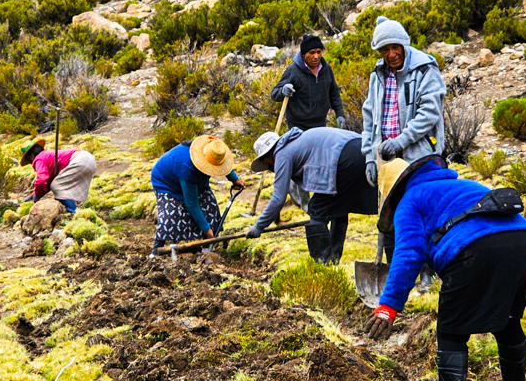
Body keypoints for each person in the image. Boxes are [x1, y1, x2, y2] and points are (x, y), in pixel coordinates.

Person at [362, 156, 526, 381]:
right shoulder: (466, 185)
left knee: (451, 331)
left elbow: (409, 254)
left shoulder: (410, 200)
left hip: (473, 250)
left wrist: (388, 306)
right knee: (509, 321)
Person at [245, 126, 377, 263]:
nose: (269, 166)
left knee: (317, 209)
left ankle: (321, 261)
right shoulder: (296, 143)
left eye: (266, 163)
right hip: (362, 149)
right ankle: (334, 257)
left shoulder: (282, 154)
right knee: (338, 205)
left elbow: (278, 198)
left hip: (343, 158)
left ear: (267, 158)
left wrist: (258, 226)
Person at [361, 16, 446, 189]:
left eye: (395, 47)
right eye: (385, 49)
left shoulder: (424, 69)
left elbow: (430, 113)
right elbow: (369, 117)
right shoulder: (377, 75)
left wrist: (400, 141)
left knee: (420, 206)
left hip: (420, 156)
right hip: (386, 157)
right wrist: (370, 157)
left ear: (403, 45)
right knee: (390, 210)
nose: (391, 54)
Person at [150, 135, 245, 255]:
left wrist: (234, 179)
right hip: (167, 183)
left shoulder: (213, 148)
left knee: (210, 206)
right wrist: (206, 229)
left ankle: (205, 248)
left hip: (193, 179)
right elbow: (191, 203)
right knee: (171, 215)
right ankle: (155, 251)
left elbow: (222, 164)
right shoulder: (188, 167)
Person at [271, 35, 346, 132]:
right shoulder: (293, 71)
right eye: (312, 53)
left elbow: (334, 93)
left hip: (320, 126)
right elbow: (274, 94)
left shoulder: (326, 69)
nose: (316, 56)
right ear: (303, 54)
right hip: (297, 129)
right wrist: (283, 90)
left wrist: (340, 114)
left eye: (319, 52)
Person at [21, 138, 98, 214]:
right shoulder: (48, 156)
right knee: (60, 184)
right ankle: (79, 211)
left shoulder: (39, 159)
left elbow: (42, 179)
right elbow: (48, 181)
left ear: (31, 156)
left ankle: (72, 212)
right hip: (89, 159)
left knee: (57, 185)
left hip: (79, 161)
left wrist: (37, 195)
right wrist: (34, 194)